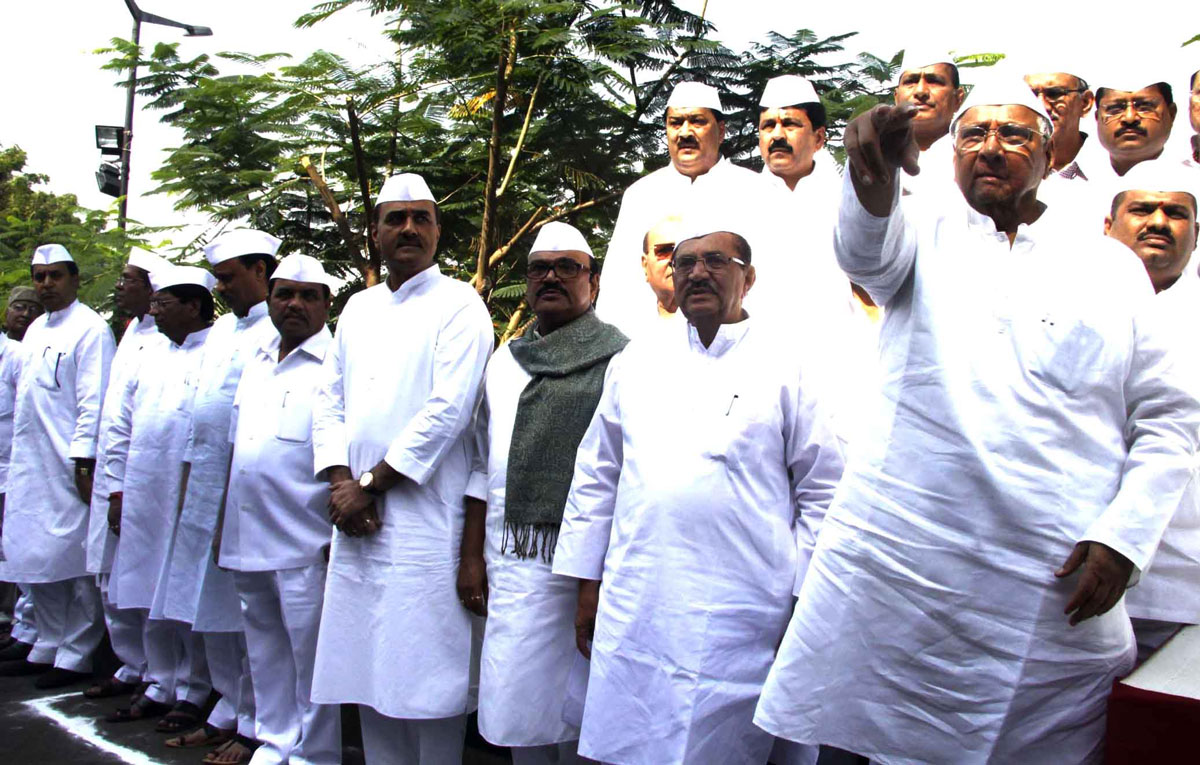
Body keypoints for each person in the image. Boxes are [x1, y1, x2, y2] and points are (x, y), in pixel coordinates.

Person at [753, 77, 1200, 764]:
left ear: (1051, 155)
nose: (990, 149)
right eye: (972, 135)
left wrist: (1125, 536)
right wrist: (870, 175)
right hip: (915, 577)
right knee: (900, 741)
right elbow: (864, 253)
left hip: (1051, 586)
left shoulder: (1110, 267)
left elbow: (1168, 418)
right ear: (949, 153)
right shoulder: (920, 235)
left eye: (1015, 135)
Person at [552, 217, 845, 765]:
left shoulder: (789, 365)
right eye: (685, 263)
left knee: (726, 742)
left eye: (716, 262)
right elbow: (597, 475)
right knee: (632, 737)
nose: (698, 273)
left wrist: (805, 597)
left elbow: (822, 489)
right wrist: (587, 583)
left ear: (749, 278)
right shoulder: (634, 361)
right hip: (641, 594)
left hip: (746, 603)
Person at [311, 172, 494, 764]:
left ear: (438, 231)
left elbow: (448, 411)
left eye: (421, 218)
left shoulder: (461, 305)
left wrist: (368, 486)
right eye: (396, 218)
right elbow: (329, 400)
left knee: (426, 678)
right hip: (356, 521)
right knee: (365, 673)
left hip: (423, 522)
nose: (409, 228)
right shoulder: (358, 308)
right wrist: (342, 482)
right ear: (376, 233)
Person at [461, 222, 627, 765]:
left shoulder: (623, 360)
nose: (551, 277)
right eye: (539, 269)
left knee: (584, 709)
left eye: (568, 268)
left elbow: (621, 476)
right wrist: (470, 558)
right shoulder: (504, 360)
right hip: (511, 562)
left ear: (593, 283)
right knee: (519, 706)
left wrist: (593, 580)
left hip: (586, 569)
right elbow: (481, 463)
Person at [152, 230, 280, 760]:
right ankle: (225, 706)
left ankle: (252, 720)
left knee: (248, 613)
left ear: (261, 271)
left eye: (229, 277)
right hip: (204, 482)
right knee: (209, 608)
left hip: (245, 486)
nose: (221, 288)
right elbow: (199, 410)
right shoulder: (223, 330)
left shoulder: (280, 326)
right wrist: (187, 481)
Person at [219, 254, 342, 765]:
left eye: (307, 295)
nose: (294, 304)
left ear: (326, 304)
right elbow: (238, 449)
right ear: (269, 298)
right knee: (264, 650)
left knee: (310, 657)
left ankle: (314, 754)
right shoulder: (258, 359)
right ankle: (274, 742)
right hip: (248, 534)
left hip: (304, 538)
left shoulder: (336, 363)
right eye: (284, 294)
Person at [104, 266, 216, 727]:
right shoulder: (149, 351)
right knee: (146, 587)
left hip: (190, 492)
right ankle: (159, 680)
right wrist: (116, 487)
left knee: (188, 592)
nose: (154, 311)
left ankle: (195, 688)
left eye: (163, 303)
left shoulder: (218, 351)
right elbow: (121, 421)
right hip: (146, 490)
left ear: (193, 306)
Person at [0, 244, 115, 688]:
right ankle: (46, 641)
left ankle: (76, 652)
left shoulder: (90, 329)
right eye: (39, 276)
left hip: (69, 462)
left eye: (55, 276)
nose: (46, 284)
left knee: (73, 560)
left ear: (74, 279)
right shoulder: (35, 331)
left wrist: (84, 459)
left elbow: (92, 400)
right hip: (31, 462)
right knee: (35, 554)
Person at [1102, 164, 1200, 661]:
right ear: (1107, 226)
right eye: (1141, 209)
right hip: (1066, 566)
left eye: (1175, 213)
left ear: (1197, 233)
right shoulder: (1061, 302)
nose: (1158, 222)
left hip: (1181, 585)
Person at [596, 81, 759, 339]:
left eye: (697, 121)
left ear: (720, 130)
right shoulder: (641, 195)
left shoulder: (754, 190)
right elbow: (619, 284)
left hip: (738, 344)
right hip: (654, 346)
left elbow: (768, 279)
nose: (684, 133)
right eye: (675, 123)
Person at [83, 250, 169, 701]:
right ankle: (130, 664)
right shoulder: (131, 331)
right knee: (111, 574)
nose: (120, 286)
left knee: (144, 576)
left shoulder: (164, 339)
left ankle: (159, 673)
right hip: (114, 469)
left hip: (145, 474)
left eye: (129, 279)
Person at [0, 286, 41, 645]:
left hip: (14, 469)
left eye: (32, 308)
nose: (24, 314)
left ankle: (22, 625)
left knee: (18, 549)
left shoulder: (21, 355)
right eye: (18, 307)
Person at [892, 47, 965, 198]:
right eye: (911, 81)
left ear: (958, 99)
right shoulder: (877, 157)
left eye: (934, 81)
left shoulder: (975, 158)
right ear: (896, 97)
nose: (921, 91)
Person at [1024, 66, 1095, 176]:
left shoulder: (1109, 169)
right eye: (1031, 96)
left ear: (1085, 103)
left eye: (1054, 94)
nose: (1041, 106)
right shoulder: (1003, 169)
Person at [639, 215, 682, 321]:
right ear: (645, 265)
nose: (675, 259)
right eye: (664, 250)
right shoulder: (626, 328)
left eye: (683, 249)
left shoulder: (722, 328)